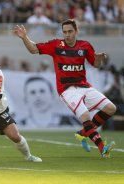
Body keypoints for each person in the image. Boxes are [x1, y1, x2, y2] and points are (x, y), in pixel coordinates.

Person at [13, 19, 116, 158]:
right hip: (67, 90)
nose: (67, 35)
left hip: (84, 86)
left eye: (70, 31)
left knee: (111, 108)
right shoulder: (56, 45)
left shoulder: (85, 46)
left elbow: (96, 64)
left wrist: (98, 58)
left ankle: (83, 133)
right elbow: (33, 49)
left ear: (76, 31)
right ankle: (103, 148)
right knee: (85, 116)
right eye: (65, 32)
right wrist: (24, 37)